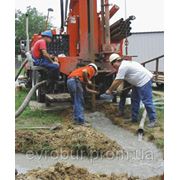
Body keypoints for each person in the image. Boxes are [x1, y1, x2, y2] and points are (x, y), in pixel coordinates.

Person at [106, 53, 157, 128]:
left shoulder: (123, 66)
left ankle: (153, 120)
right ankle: (134, 118)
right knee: (134, 99)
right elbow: (125, 78)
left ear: (116, 61)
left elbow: (118, 80)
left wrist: (110, 90)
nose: (114, 67)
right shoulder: (125, 64)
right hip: (137, 83)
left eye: (113, 65)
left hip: (144, 81)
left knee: (147, 101)